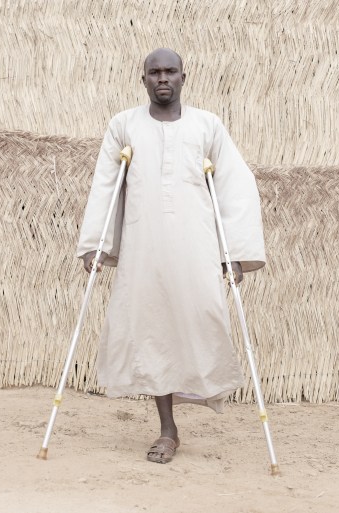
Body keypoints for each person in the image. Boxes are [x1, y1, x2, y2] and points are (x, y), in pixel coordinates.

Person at [76, 48, 266, 464]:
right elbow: (105, 185)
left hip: (196, 245)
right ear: (142, 79)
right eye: (154, 72)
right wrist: (97, 242)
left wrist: (233, 253)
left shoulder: (207, 125)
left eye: (170, 72)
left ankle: (198, 395)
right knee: (153, 329)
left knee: (201, 319)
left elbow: (236, 186)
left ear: (184, 76)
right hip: (145, 245)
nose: (162, 78)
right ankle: (167, 430)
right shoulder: (123, 125)